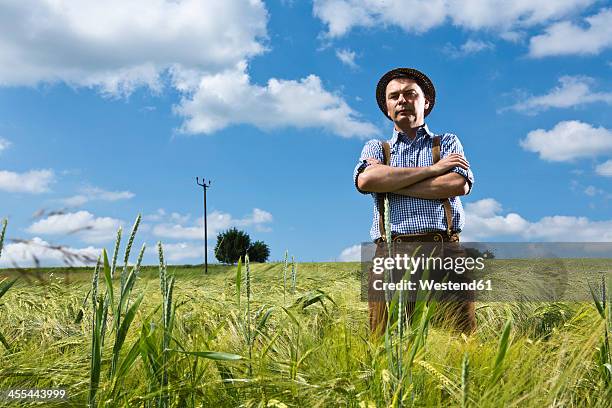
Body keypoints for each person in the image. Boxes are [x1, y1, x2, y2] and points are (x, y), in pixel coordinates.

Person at [353, 68, 476, 334]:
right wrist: (433, 171)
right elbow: (366, 182)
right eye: (394, 96)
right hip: (391, 252)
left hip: (444, 250)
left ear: (426, 102)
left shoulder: (447, 142)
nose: (402, 100)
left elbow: (458, 183)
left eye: (410, 94)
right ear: (387, 107)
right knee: (389, 345)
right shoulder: (375, 147)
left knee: (460, 341)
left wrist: (392, 182)